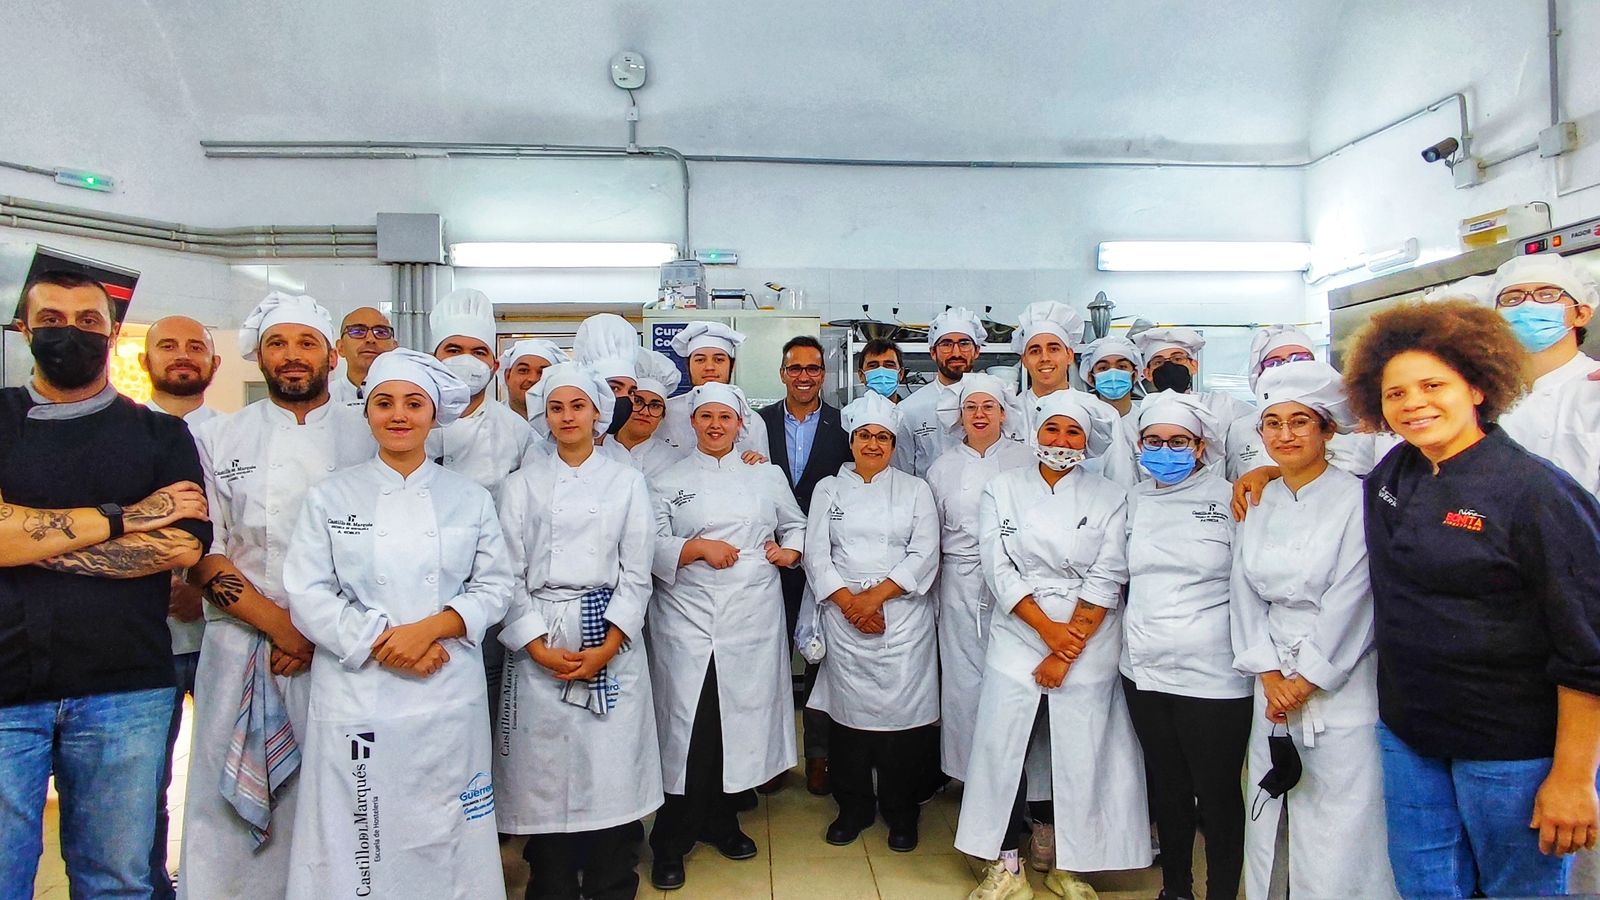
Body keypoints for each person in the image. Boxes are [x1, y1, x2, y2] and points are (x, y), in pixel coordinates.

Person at [1346, 299, 1600, 898]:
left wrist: (1572, 775)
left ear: (1479, 388)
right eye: (1396, 394)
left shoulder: (1536, 493)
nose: (1414, 404)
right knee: (1425, 886)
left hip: (1512, 748)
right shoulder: (1393, 478)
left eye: (1433, 385)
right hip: (1411, 735)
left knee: (1521, 890)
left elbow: (1587, 646)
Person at [0, 271, 211, 898]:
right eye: (53, 320)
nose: (72, 333)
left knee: (117, 879)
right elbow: (150, 531)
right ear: (24, 330)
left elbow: (180, 545)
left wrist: (25, 541)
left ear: (113, 333)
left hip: (124, 689)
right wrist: (124, 516)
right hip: (6, 686)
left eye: (89, 321)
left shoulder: (158, 433)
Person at [281, 348, 511, 898]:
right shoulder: (331, 496)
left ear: (434, 415)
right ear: (367, 413)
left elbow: (496, 586)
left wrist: (431, 630)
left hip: (445, 685)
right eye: (384, 403)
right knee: (361, 827)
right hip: (359, 688)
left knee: (446, 825)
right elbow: (307, 591)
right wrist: (385, 641)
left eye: (413, 403)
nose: (399, 415)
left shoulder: (469, 498)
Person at [181, 292, 375, 900]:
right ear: (258, 357)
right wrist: (280, 627)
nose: (292, 357)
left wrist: (314, 631)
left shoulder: (366, 433)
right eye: (277, 344)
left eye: (306, 343)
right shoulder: (218, 437)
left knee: (335, 791)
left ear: (331, 354)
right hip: (242, 643)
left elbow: (385, 552)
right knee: (223, 801)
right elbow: (202, 551)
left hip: (342, 646)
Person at [955, 391, 1150, 900]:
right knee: (1004, 745)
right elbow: (998, 569)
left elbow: (1109, 572)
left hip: (1090, 635)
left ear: (1087, 443)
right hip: (1020, 628)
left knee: (1080, 749)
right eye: (1052, 430)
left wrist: (1068, 646)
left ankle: (1072, 862)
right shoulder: (1002, 489)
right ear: (1035, 434)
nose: (1061, 442)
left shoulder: (1111, 497)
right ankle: (1005, 863)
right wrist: (1049, 633)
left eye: (1073, 433)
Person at [1229, 360, 1396, 900]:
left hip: (1341, 678)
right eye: (1273, 423)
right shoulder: (1257, 499)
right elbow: (1244, 593)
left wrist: (1308, 678)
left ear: (1327, 430)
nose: (1286, 434)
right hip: (1271, 677)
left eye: (1300, 421)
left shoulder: (1357, 498)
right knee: (1271, 800)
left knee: (1342, 812)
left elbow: (1356, 595)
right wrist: (1270, 671)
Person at [495, 363, 662, 900]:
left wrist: (608, 646)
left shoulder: (627, 481)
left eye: (578, 406)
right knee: (543, 772)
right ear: (546, 416)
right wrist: (537, 646)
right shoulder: (521, 485)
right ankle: (552, 880)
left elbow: (637, 573)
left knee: (611, 767)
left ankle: (614, 880)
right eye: (556, 407)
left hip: (608, 633)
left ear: (598, 414)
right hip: (541, 634)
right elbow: (508, 574)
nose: (567, 417)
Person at [646, 382, 805, 891]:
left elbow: (795, 525)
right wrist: (695, 549)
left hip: (752, 614)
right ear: (692, 422)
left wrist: (791, 552)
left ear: (741, 423)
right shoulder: (666, 480)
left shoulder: (766, 473)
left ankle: (721, 820)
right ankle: (671, 838)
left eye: (725, 417)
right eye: (706, 417)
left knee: (732, 720)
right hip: (686, 617)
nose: (716, 426)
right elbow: (648, 543)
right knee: (688, 724)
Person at [1121, 391, 1250, 900]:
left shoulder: (1232, 498)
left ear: (1200, 447)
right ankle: (1175, 888)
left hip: (1214, 673)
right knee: (1167, 787)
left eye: (1178, 442)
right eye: (1154, 441)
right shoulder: (1132, 500)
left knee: (1217, 795)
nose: (1165, 451)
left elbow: (1249, 581)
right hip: (1144, 669)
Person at [801, 392, 939, 849]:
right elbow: (816, 554)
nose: (874, 444)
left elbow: (924, 553)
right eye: (865, 436)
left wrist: (876, 599)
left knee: (904, 723)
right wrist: (851, 604)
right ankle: (853, 806)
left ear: (894, 444)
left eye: (883, 437)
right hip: (845, 617)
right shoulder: (828, 489)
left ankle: (901, 812)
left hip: (902, 617)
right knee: (848, 720)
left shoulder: (916, 489)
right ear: (852, 440)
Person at [138, 314, 223, 898]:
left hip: (224, 629)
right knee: (143, 782)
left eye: (196, 346)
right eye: (168, 345)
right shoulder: (121, 431)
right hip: (142, 640)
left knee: (223, 773)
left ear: (215, 364)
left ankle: (215, 880)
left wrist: (204, 585)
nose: (182, 355)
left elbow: (248, 530)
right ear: (146, 359)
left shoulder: (236, 433)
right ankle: (151, 885)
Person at [925, 374, 1032, 789]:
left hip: (1019, 583)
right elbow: (931, 536)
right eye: (972, 407)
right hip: (960, 583)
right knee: (963, 681)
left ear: (1004, 413)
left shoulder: (1026, 459)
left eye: (989, 406)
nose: (980, 414)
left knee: (1013, 679)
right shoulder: (942, 467)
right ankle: (970, 779)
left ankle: (1020, 783)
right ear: (960, 415)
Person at [759, 335, 852, 796]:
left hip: (826, 559)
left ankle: (819, 757)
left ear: (823, 374)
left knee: (821, 659)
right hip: (768, 560)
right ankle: (769, 758)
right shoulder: (757, 424)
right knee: (765, 660)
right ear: (782, 374)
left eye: (813, 368)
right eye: (795, 368)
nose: (804, 376)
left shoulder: (844, 427)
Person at [1493, 254, 1600, 494]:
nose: (1527, 305)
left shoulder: (1595, 386)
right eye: (1512, 298)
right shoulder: (1482, 397)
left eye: (1547, 295)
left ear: (1581, 314)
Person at [1225, 325, 1379, 481]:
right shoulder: (1239, 429)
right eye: (1274, 362)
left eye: (1299, 358)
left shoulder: (1359, 426)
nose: (1289, 367)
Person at [1012, 302, 1135, 488]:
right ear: (1025, 361)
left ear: (1069, 355)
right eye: (1035, 351)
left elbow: (1120, 482)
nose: (1045, 357)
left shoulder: (1101, 414)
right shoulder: (1008, 411)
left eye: (1053, 349)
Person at [426, 289, 532, 499]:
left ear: (495, 366)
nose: (466, 360)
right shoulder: (407, 420)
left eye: (479, 352)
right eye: (454, 350)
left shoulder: (516, 430)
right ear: (432, 359)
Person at [658, 322, 771, 457]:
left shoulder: (754, 422)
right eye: (700, 360)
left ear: (732, 365)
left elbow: (762, 471)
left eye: (718, 359)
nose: (709, 367)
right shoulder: (665, 414)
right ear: (687, 366)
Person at [896, 307, 986, 476]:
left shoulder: (994, 404)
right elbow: (902, 478)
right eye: (946, 344)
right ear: (932, 352)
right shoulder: (909, 409)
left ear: (977, 350)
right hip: (927, 501)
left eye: (964, 343)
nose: (956, 352)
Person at [615, 350, 686, 483]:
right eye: (638, 401)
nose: (645, 412)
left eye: (655, 406)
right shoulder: (599, 450)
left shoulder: (673, 461)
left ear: (662, 416)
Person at [329, 306, 398, 409]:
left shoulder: (413, 397)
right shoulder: (324, 398)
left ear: (395, 347)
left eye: (381, 332)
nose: (370, 339)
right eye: (358, 331)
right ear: (341, 347)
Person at [499, 338, 566, 420]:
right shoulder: (488, 423)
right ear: (507, 376)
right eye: (523, 370)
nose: (533, 379)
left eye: (542, 372)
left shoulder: (567, 424)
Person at [1079, 335, 1144, 418]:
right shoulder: (1081, 422)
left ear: (1135, 374)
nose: (1113, 373)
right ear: (1091, 377)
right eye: (1103, 368)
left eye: (1121, 367)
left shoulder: (1147, 421)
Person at [856, 337, 905, 401]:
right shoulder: (851, 411)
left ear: (901, 374)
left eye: (889, 365)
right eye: (873, 366)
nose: (881, 372)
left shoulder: (910, 410)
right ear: (861, 375)